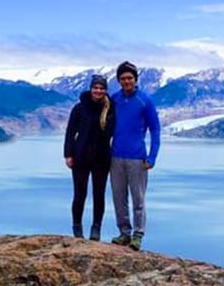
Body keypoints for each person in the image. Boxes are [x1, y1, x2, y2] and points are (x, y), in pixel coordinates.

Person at [109, 61, 161, 251]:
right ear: (118, 80)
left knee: (138, 199)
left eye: (129, 78)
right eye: (123, 78)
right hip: (115, 157)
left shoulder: (145, 100)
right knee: (118, 198)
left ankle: (138, 234)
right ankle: (124, 233)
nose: (126, 81)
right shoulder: (114, 99)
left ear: (136, 79)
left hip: (137, 158)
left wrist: (153, 156)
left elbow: (155, 129)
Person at [63, 74, 115, 240]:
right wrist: (68, 154)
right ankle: (77, 226)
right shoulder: (79, 108)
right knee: (80, 194)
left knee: (99, 195)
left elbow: (111, 132)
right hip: (81, 157)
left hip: (102, 158)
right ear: (91, 89)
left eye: (101, 88)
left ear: (105, 90)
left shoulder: (110, 109)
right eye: (96, 88)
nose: (98, 91)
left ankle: (96, 228)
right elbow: (70, 132)